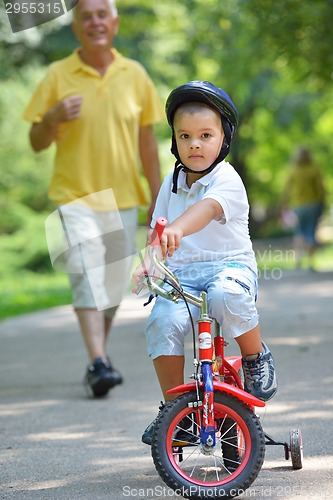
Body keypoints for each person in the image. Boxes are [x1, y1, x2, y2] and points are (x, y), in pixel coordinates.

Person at [23, 0, 164, 398]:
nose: (95, 22)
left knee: (113, 286)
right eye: (86, 16)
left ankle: (95, 357)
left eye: (102, 14)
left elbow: (147, 144)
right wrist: (50, 119)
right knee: (86, 274)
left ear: (115, 23)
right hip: (75, 195)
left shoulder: (134, 75)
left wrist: (157, 197)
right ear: (76, 26)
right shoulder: (57, 74)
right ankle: (100, 362)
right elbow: (35, 142)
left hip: (123, 197)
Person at [132, 80, 278, 445]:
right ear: (175, 141)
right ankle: (174, 410)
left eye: (205, 135)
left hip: (228, 267)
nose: (194, 143)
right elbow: (158, 231)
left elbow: (207, 210)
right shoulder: (171, 181)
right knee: (162, 321)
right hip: (182, 275)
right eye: (184, 136)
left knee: (226, 296)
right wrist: (148, 261)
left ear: (223, 139)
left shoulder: (226, 178)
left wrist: (179, 228)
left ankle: (255, 357)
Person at [280, 146, 325, 270]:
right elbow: (320, 188)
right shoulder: (314, 169)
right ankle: (311, 262)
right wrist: (322, 202)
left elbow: (287, 189)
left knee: (299, 232)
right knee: (311, 232)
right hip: (313, 204)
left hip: (298, 206)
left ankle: (298, 260)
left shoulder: (293, 170)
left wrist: (283, 203)